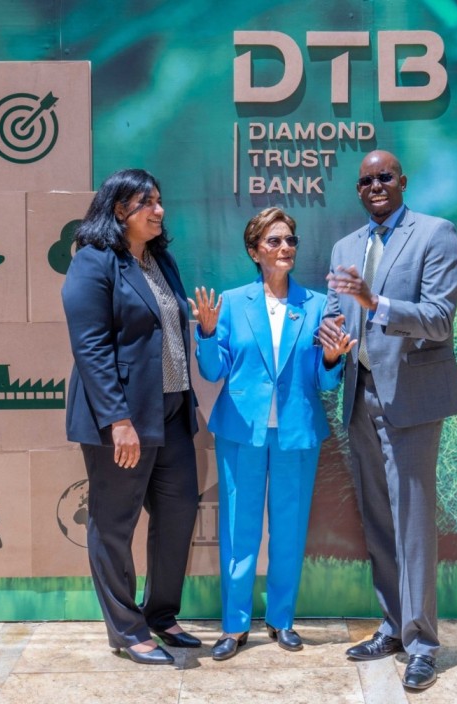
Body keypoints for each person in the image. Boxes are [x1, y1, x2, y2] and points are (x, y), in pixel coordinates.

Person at [318, 150, 457, 691]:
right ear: (358, 190)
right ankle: (392, 626)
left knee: (412, 521)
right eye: (365, 180)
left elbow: (438, 319)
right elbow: (338, 318)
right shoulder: (344, 247)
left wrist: (375, 300)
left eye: (384, 176)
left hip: (410, 400)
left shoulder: (435, 234)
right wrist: (333, 342)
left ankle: (424, 644)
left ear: (402, 181)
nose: (375, 185)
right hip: (360, 398)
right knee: (379, 521)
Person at [190, 207, 354, 661]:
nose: (285, 248)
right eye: (274, 241)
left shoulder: (317, 304)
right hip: (242, 431)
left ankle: (282, 620)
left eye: (290, 241)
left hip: (296, 433)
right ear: (254, 250)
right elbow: (212, 370)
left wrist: (331, 360)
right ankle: (234, 626)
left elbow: (325, 384)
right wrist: (206, 333)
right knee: (238, 530)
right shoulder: (231, 302)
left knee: (289, 530)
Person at [61, 168, 202, 666]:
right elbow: (91, 347)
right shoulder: (94, 262)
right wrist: (117, 420)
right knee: (114, 523)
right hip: (121, 419)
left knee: (180, 510)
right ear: (120, 210)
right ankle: (126, 629)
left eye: (160, 200)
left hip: (172, 411)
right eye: (148, 203)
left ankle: (160, 615)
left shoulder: (160, 260)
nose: (159, 210)